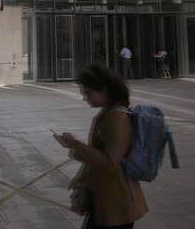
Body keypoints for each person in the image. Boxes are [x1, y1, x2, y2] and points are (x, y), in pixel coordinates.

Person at [53, 65, 147, 229]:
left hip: (117, 202)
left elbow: (109, 162)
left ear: (104, 90)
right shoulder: (109, 113)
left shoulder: (116, 117)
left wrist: (75, 144)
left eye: (88, 93)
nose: (85, 98)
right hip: (108, 199)